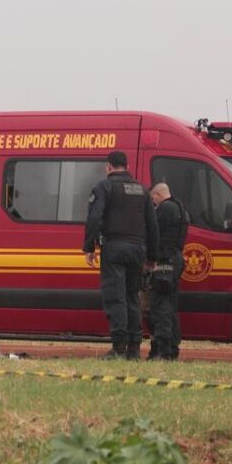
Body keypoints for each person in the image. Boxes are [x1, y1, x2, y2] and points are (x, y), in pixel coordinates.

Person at [83, 151, 159, 360]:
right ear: (126, 166)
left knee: (116, 297)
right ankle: (134, 349)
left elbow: (94, 216)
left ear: (109, 166)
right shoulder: (142, 190)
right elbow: (152, 225)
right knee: (132, 297)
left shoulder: (105, 187)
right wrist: (152, 256)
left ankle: (118, 348)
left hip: (114, 248)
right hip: (138, 250)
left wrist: (89, 247)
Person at [147, 182, 190, 361]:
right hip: (176, 259)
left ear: (158, 194)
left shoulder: (165, 209)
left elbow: (153, 233)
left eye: (153, 199)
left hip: (164, 261)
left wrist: (150, 258)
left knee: (160, 307)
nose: (153, 203)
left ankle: (163, 351)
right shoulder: (181, 209)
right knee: (171, 306)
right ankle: (172, 349)